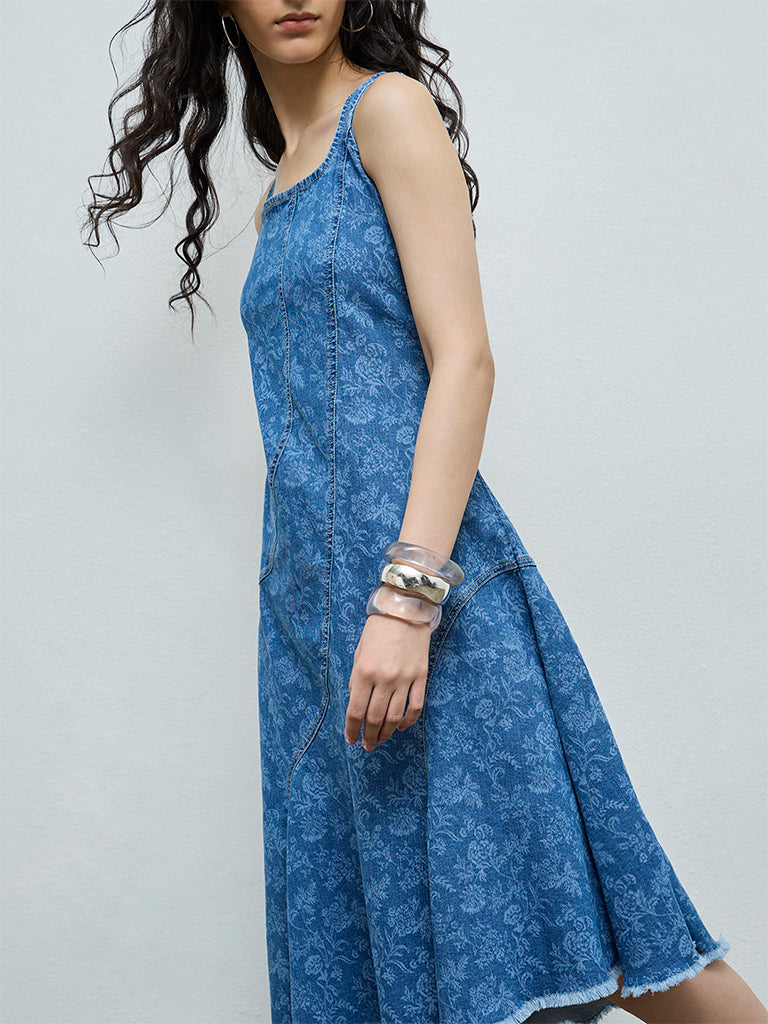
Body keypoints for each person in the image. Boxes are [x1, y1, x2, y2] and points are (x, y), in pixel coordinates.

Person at [82, 3, 768, 1023]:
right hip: (314, 632)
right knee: (399, 957)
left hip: (429, 601)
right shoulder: (280, 191)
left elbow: (466, 361)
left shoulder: (387, 112)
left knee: (605, 934)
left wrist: (408, 598)